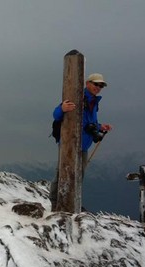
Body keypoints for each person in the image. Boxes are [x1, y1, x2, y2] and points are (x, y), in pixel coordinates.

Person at [50, 73, 112, 206]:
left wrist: (100, 126)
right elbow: (56, 115)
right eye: (96, 84)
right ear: (87, 83)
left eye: (101, 85)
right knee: (62, 173)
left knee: (78, 175)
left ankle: (73, 202)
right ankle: (55, 204)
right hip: (69, 144)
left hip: (83, 145)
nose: (98, 87)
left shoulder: (94, 102)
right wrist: (62, 109)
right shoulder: (76, 96)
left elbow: (88, 122)